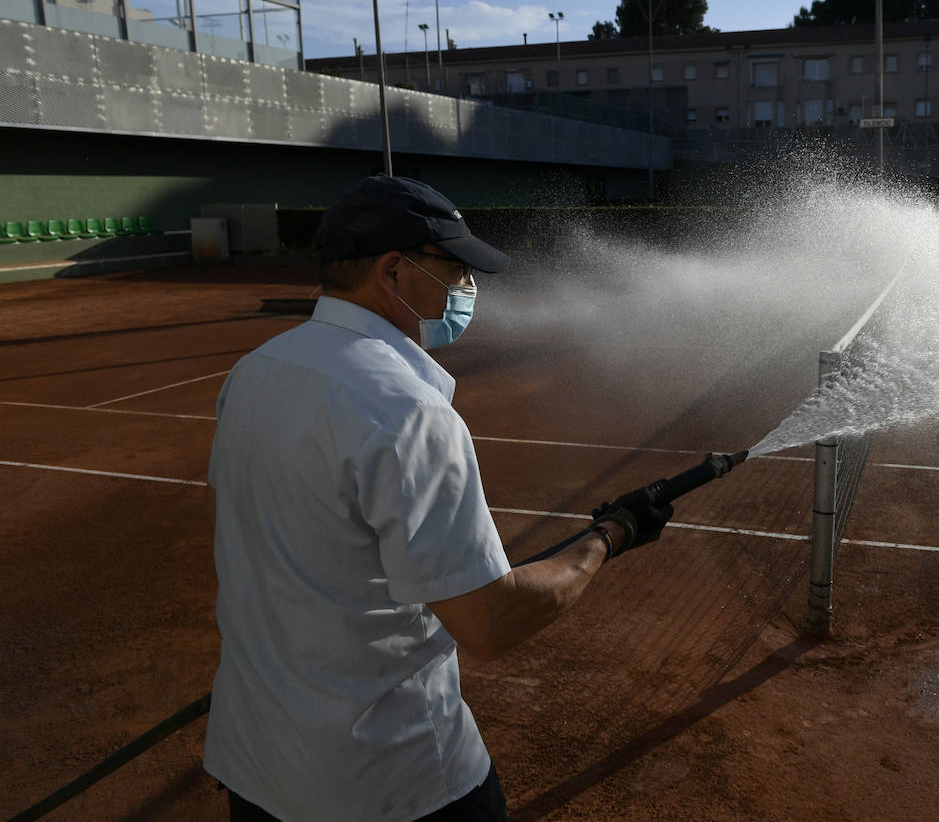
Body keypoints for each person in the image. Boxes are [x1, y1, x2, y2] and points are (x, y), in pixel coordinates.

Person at [203, 175, 671, 822]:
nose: (465, 289)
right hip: (394, 785)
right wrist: (609, 537)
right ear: (395, 271)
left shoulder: (254, 371)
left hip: (256, 767)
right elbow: (489, 620)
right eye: (453, 268)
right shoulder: (407, 410)